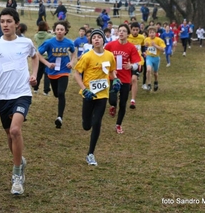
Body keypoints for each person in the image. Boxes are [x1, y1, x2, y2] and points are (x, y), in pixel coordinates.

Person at [0, 7, 38, 195]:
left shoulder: (26, 43)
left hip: (22, 93)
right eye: (2, 22)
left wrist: (34, 74)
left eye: (9, 21)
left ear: (16, 24)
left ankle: (16, 177)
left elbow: (35, 56)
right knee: (9, 135)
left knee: (15, 130)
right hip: (3, 96)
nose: (5, 25)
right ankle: (19, 160)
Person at [74, 29, 118, 166]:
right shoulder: (87, 56)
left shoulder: (110, 56)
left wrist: (115, 80)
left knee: (97, 122)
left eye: (99, 37)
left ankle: (91, 154)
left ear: (103, 40)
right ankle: (87, 122)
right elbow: (76, 73)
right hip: (88, 95)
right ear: (91, 41)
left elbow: (111, 71)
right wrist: (84, 89)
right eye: (94, 38)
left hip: (103, 94)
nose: (97, 39)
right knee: (87, 125)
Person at [37, 20, 76, 128]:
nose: (59, 31)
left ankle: (59, 117)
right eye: (57, 29)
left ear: (65, 31)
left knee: (61, 93)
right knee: (56, 94)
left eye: (61, 30)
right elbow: (38, 54)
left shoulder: (69, 42)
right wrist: (47, 63)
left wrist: (71, 62)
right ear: (54, 31)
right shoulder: (49, 42)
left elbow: (73, 52)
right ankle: (59, 107)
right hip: (52, 72)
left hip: (64, 71)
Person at [104, 24, 141, 134]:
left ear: (127, 34)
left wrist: (131, 66)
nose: (121, 33)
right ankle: (113, 106)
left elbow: (137, 64)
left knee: (123, 103)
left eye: (124, 31)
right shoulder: (110, 45)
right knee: (112, 99)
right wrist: (110, 69)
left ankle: (118, 125)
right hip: (112, 76)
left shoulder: (131, 47)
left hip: (125, 78)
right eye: (119, 31)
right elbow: (103, 58)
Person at [127, 22, 145, 109]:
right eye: (133, 30)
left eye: (137, 30)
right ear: (130, 30)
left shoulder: (142, 37)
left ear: (139, 30)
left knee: (134, 79)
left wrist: (144, 52)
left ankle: (133, 100)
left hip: (137, 61)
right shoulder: (127, 37)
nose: (135, 31)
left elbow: (143, 46)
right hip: (128, 61)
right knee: (129, 80)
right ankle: (129, 86)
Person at [33, 21, 53, 95]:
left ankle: (35, 88)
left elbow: (36, 39)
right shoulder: (49, 36)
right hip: (47, 57)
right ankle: (46, 90)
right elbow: (54, 37)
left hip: (39, 56)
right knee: (47, 74)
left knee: (38, 73)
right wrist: (51, 32)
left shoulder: (36, 36)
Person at [144, 26, 166, 91]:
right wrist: (146, 47)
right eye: (150, 32)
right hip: (149, 57)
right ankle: (149, 84)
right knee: (148, 70)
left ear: (155, 33)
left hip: (156, 58)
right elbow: (145, 47)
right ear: (148, 33)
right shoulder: (146, 39)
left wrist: (155, 45)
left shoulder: (159, 40)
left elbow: (163, 50)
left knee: (155, 73)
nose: (151, 34)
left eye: (153, 32)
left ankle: (156, 82)